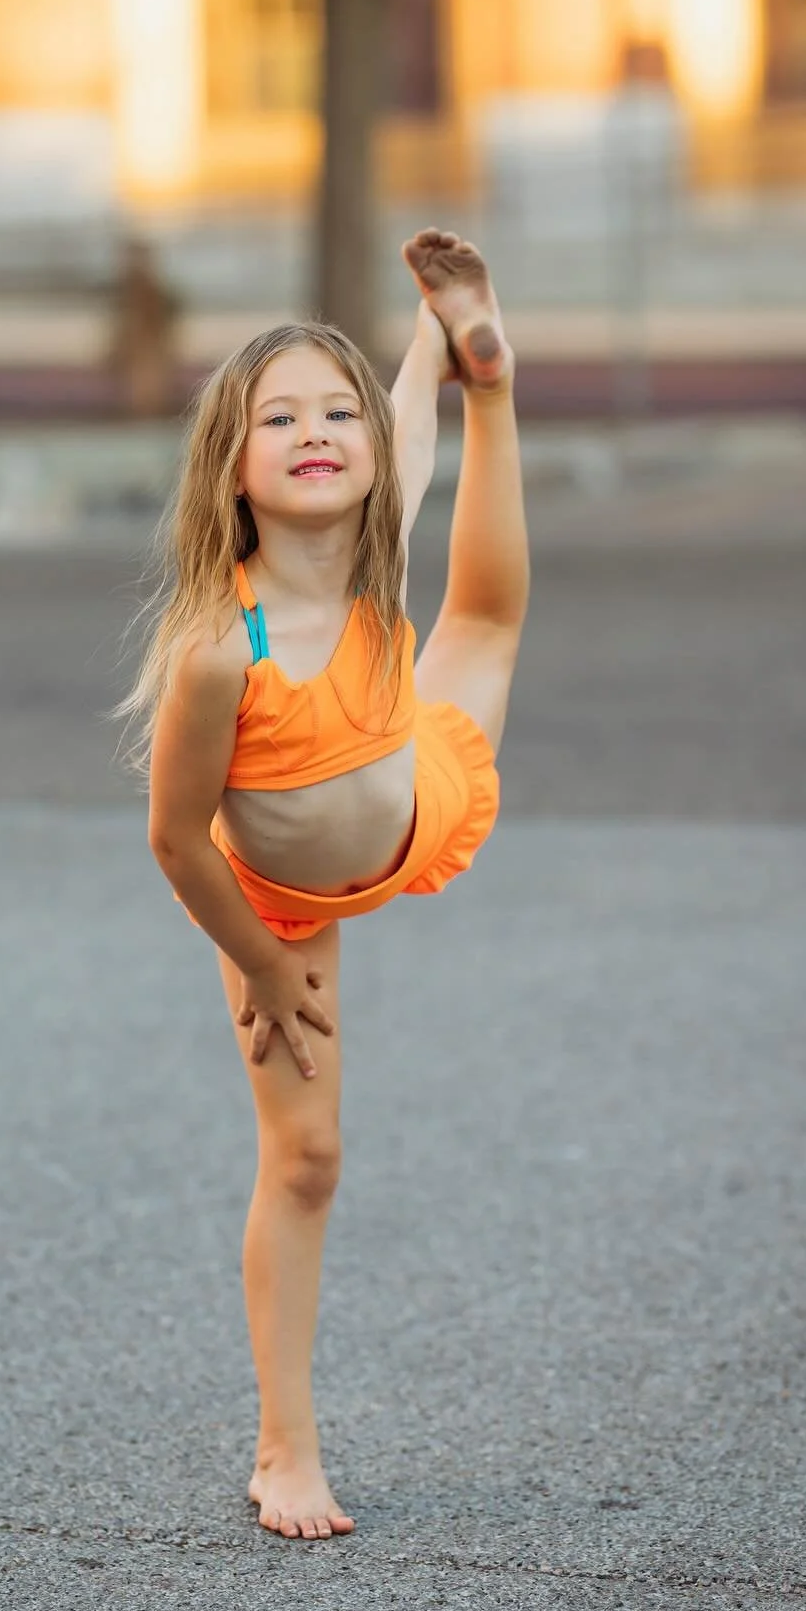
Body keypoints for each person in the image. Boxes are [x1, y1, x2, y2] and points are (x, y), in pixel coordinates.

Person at [115, 230, 530, 1540]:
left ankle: (495, 370)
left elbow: (400, 436)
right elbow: (179, 841)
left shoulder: (369, 567)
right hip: (279, 909)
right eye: (280, 416)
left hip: (419, 795)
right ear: (230, 470)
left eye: (338, 414)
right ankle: (282, 1447)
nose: (318, 430)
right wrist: (258, 959)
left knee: (484, 620)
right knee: (306, 1159)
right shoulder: (213, 654)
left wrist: (438, 355)